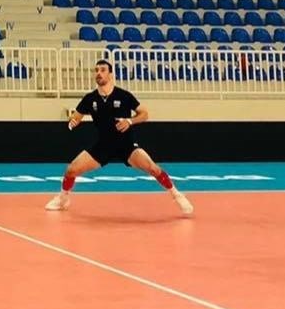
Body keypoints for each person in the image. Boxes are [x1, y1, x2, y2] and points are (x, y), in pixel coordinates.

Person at [46, 59, 193, 216]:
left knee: (153, 168)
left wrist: (130, 121)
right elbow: (77, 116)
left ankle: (177, 195)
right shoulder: (90, 98)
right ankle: (63, 199)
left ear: (110, 74)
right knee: (71, 170)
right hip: (103, 146)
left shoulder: (123, 95)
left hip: (126, 145)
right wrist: (74, 121)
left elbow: (144, 114)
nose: (99, 73)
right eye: (96, 70)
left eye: (103, 70)